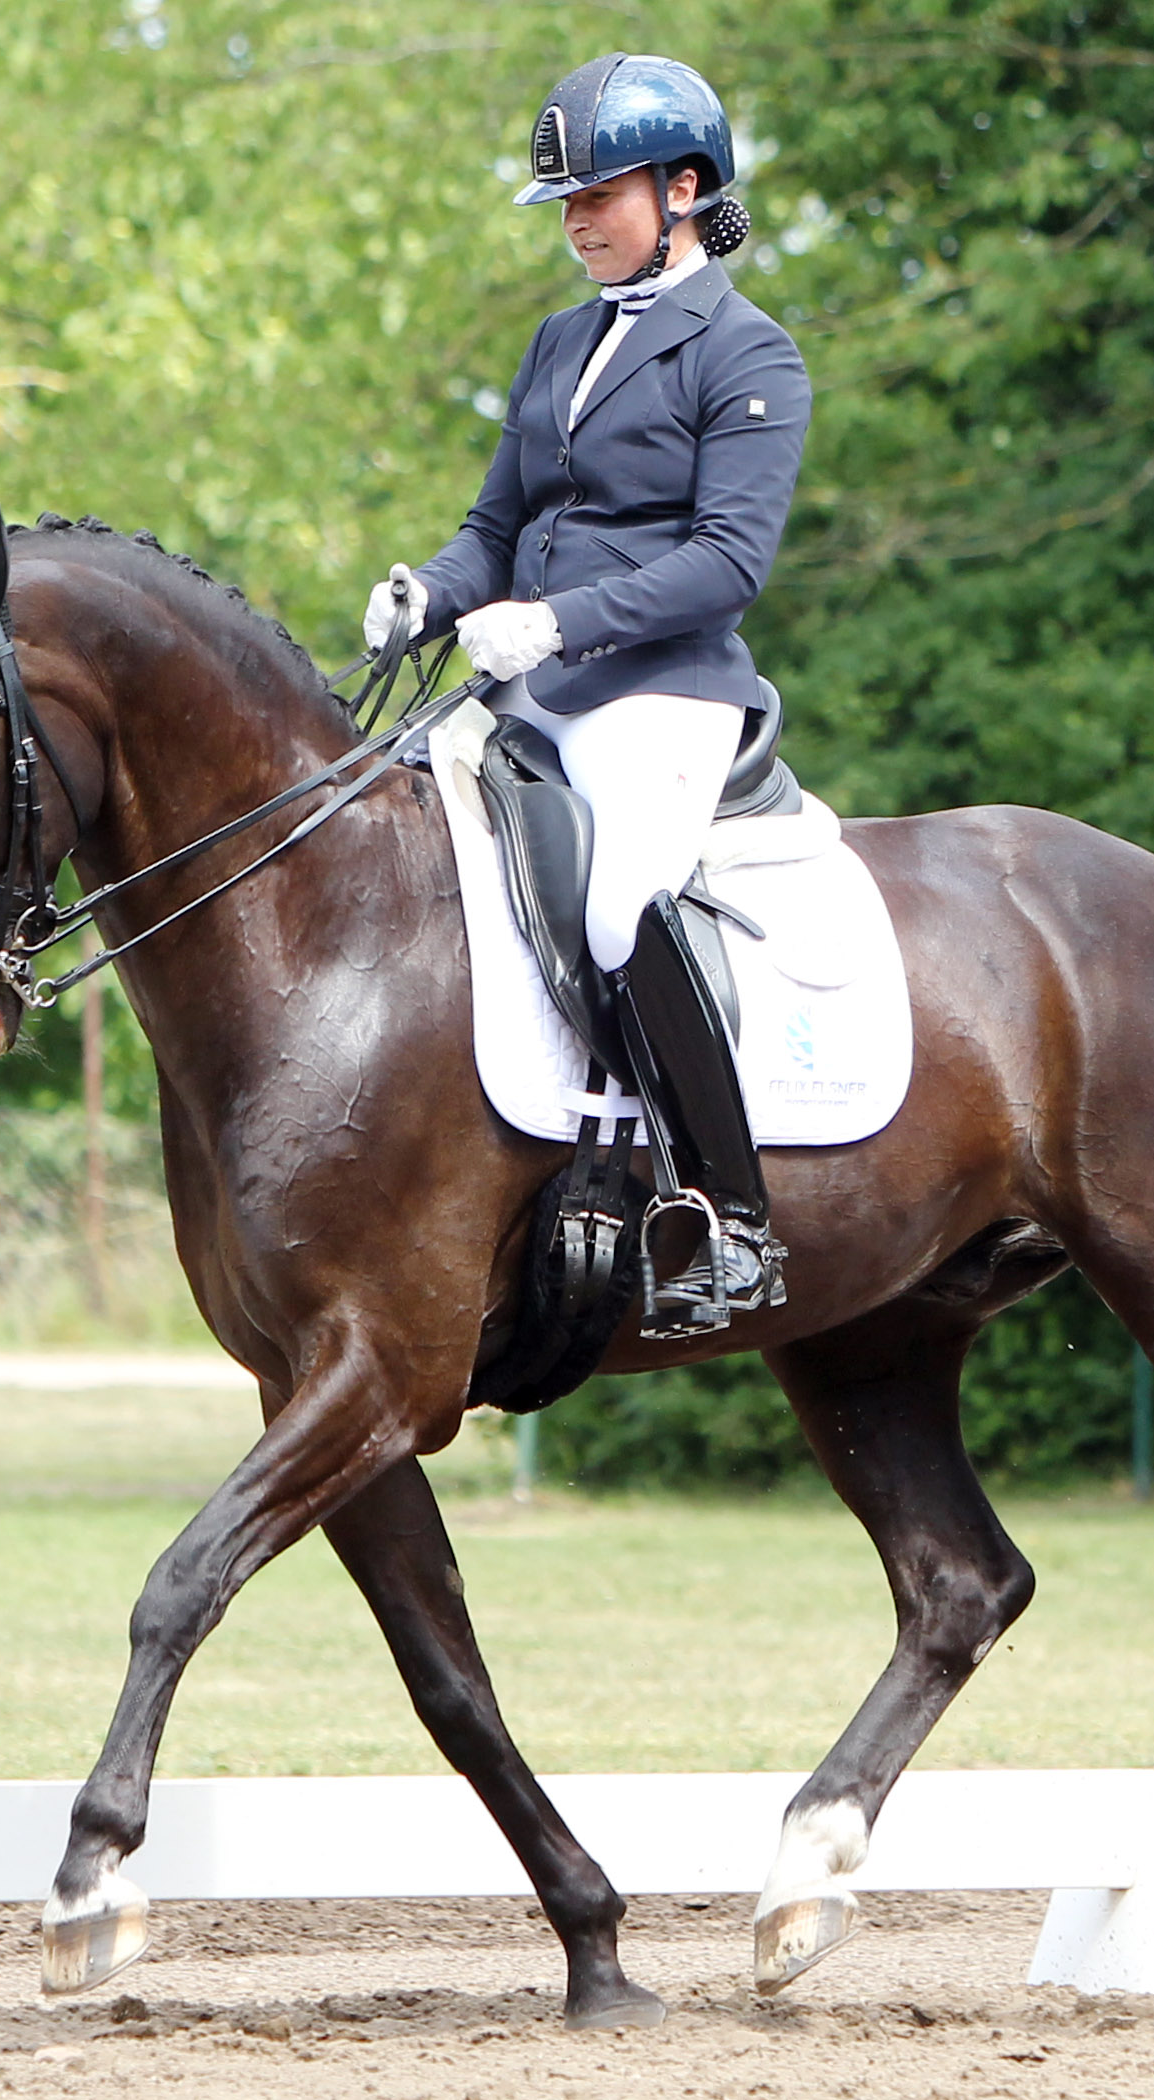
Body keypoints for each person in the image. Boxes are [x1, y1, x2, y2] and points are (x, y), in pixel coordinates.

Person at [364, 51, 812, 1336]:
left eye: (599, 192)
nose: (574, 219)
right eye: (563, 199)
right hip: (533, 686)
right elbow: (492, 524)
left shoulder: (746, 351)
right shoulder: (559, 343)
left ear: (683, 189)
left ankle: (731, 1219)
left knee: (617, 905)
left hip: (665, 697)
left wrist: (554, 620)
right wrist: (431, 596)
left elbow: (727, 564)